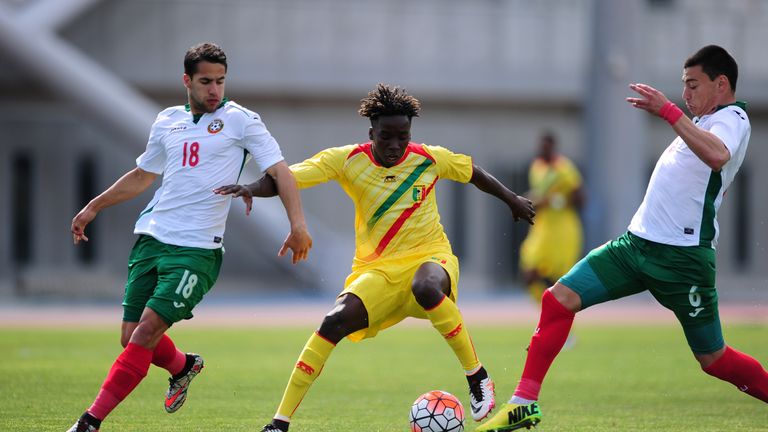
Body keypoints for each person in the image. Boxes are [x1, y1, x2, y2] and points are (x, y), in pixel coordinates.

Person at [478, 44, 768, 432]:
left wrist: (668, 111)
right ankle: (523, 403)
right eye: (683, 86)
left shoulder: (732, 118)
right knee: (557, 299)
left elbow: (718, 157)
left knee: (713, 359)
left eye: (693, 85)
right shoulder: (701, 121)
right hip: (634, 246)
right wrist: (681, 118)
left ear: (721, 83)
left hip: (682, 260)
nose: (686, 94)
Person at [215, 83, 536, 432]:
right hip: (377, 271)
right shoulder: (347, 160)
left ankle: (477, 376)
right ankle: (279, 422)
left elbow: (474, 172)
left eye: (403, 135)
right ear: (371, 133)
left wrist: (512, 200)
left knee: (426, 288)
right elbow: (287, 179)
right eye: (386, 137)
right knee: (332, 323)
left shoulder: (430, 158)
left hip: (431, 257)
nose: (395, 145)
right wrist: (251, 188)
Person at [66, 42, 312, 432]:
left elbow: (282, 172)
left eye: (220, 81)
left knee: (145, 333)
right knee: (130, 338)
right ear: (187, 81)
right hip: (151, 237)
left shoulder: (242, 120)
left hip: (196, 250)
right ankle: (184, 365)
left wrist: (297, 225)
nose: (215, 90)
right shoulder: (166, 121)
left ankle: (89, 422)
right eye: (205, 82)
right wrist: (93, 206)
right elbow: (144, 176)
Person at [519, 132, 584, 304]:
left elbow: (581, 199)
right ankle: (547, 314)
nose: (543, 150)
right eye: (541, 146)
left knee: (559, 281)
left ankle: (561, 323)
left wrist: (555, 201)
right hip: (541, 229)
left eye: (546, 147)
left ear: (553, 147)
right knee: (529, 273)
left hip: (563, 230)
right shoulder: (536, 167)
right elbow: (539, 196)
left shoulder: (564, 168)